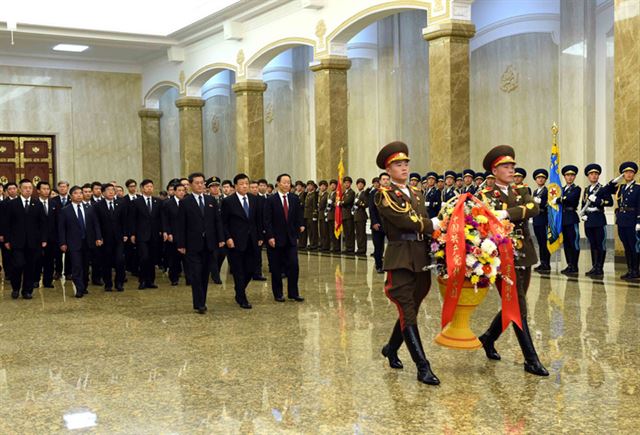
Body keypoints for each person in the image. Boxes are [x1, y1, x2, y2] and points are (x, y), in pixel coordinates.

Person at [477, 145, 548, 377]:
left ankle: (488, 338)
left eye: (512, 166)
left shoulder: (522, 190)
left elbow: (533, 208)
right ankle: (531, 358)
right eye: (505, 167)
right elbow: (481, 220)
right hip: (499, 257)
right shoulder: (484, 195)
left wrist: (507, 214)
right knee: (517, 305)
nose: (510, 170)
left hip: (524, 253)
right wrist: (518, 211)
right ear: (494, 170)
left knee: (516, 301)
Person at [375, 141, 440, 386]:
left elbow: (420, 218)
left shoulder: (417, 193)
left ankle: (391, 348)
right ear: (388, 170)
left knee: (409, 309)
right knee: (407, 309)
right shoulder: (384, 195)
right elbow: (406, 220)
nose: (403, 168)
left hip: (420, 257)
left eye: (405, 164)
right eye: (397, 165)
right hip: (400, 258)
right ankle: (423, 367)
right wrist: (432, 224)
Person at [175, 173, 224, 314]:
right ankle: (199, 303)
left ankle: (202, 301)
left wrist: (220, 238)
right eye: (197, 183)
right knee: (196, 274)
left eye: (202, 183)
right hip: (192, 244)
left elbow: (217, 221)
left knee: (204, 274)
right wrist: (181, 244)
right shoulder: (185, 202)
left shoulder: (210, 200)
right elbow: (181, 225)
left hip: (209, 243)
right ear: (190, 185)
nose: (200, 185)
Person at [221, 173, 263, 309]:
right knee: (238, 270)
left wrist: (260, 237)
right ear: (235, 186)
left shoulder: (254, 199)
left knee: (251, 268)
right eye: (241, 184)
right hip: (235, 241)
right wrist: (228, 238)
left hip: (252, 240)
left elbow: (258, 220)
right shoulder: (228, 201)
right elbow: (224, 223)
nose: (245, 186)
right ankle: (241, 296)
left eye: (246, 183)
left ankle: (239, 290)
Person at [263, 173, 305, 303]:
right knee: (276, 268)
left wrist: (300, 227)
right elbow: (267, 220)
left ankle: (293, 293)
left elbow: (298, 216)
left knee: (293, 266)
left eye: (289, 182)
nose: (287, 185)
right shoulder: (271, 200)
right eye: (284, 182)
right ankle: (278, 293)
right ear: (278, 183)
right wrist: (270, 236)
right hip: (275, 239)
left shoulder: (294, 198)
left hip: (291, 239)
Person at [4, 179, 48, 299]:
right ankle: (15, 288)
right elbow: (6, 223)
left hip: (33, 242)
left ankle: (27, 291)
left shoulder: (37, 204)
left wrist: (44, 239)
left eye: (30, 188)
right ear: (20, 189)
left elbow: (43, 223)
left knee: (30, 266)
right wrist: (7, 240)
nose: (28, 190)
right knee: (18, 265)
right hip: (16, 242)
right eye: (25, 187)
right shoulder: (12, 204)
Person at [58, 185, 102, 297]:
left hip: (88, 241)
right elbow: (62, 228)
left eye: (80, 193)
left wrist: (98, 237)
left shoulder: (90, 208)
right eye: (76, 193)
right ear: (71, 196)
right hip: (73, 242)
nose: (79, 195)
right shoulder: (65, 210)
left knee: (86, 266)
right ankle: (79, 288)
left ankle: (84, 285)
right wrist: (62, 242)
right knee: (76, 266)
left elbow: (95, 224)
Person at [600, 162, 640, 280]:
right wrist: (614, 181)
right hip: (622, 221)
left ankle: (636, 271)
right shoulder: (621, 187)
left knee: (634, 246)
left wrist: (639, 221)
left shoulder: (638, 188)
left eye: (631, 172)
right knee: (626, 246)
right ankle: (630, 270)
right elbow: (604, 191)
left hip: (633, 220)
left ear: (634, 174)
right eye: (626, 172)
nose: (628, 174)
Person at [129, 179, 162, 289]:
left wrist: (163, 231)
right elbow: (132, 219)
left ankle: (151, 281)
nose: (149, 188)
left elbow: (160, 219)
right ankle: (142, 280)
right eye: (147, 186)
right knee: (144, 257)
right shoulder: (136, 202)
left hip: (154, 235)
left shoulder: (158, 201)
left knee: (152, 258)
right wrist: (132, 234)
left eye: (151, 186)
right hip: (141, 235)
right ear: (142, 188)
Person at [580, 164, 612, 278]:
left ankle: (600, 267)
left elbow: (610, 202)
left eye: (596, 174)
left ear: (598, 176)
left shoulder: (603, 189)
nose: (593, 176)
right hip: (589, 220)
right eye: (591, 174)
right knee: (592, 244)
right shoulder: (586, 190)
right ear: (588, 176)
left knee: (600, 244)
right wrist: (583, 214)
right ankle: (594, 266)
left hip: (599, 219)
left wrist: (597, 200)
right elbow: (583, 204)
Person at [95, 183, 127, 291]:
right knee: (106, 262)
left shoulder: (121, 203)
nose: (111, 192)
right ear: (103, 192)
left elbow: (124, 220)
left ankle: (119, 283)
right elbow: (96, 223)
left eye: (113, 190)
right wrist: (98, 237)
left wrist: (125, 234)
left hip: (119, 238)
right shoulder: (98, 205)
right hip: (105, 239)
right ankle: (108, 283)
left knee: (120, 261)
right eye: (108, 190)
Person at [556, 165, 581, 276]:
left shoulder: (576, 189)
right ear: (564, 177)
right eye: (567, 175)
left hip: (571, 217)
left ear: (574, 177)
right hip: (563, 219)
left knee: (574, 242)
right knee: (566, 244)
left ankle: (574, 266)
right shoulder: (561, 189)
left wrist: (560, 199)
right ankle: (569, 264)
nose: (570, 178)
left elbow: (571, 199)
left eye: (572, 175)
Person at [34, 181, 57, 289]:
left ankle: (48, 281)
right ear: (38, 190)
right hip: (37, 238)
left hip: (52, 237)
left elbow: (58, 221)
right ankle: (35, 280)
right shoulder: (33, 203)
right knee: (36, 260)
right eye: (43, 189)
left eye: (48, 189)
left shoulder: (54, 203)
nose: (46, 191)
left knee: (50, 260)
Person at [50, 180, 71, 279]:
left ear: (67, 188)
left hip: (70, 230)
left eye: (64, 186)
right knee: (57, 253)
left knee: (70, 252)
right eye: (60, 187)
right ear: (58, 188)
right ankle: (58, 271)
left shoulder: (72, 199)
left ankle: (68, 272)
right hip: (57, 231)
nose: (62, 188)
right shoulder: (53, 200)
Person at [531, 169, 551, 274]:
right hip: (536, 219)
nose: (540, 179)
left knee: (544, 242)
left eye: (543, 178)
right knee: (540, 242)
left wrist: (541, 203)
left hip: (543, 218)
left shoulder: (547, 191)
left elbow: (548, 204)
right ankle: (542, 262)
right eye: (538, 178)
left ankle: (546, 263)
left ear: (545, 179)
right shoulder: (535, 192)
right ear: (535, 180)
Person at [369, 172, 389, 273]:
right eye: (383, 179)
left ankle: (390, 266)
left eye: (387, 179)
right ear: (380, 181)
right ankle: (379, 266)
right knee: (378, 247)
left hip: (390, 225)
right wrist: (374, 222)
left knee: (392, 247)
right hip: (378, 224)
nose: (385, 181)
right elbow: (372, 209)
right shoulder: (374, 193)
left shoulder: (391, 192)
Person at [353, 178, 369, 257]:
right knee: (358, 234)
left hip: (362, 216)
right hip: (356, 216)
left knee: (362, 234)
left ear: (364, 185)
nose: (360, 185)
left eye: (361, 184)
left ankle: (362, 249)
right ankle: (359, 248)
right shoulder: (357, 194)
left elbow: (366, 204)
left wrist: (359, 202)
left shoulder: (365, 193)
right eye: (358, 184)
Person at [340, 176, 356, 255]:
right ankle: (347, 247)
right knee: (346, 232)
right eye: (345, 183)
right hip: (344, 215)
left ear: (350, 184)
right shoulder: (343, 193)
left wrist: (340, 202)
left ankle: (351, 248)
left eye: (348, 183)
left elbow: (347, 201)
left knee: (350, 232)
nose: (346, 184)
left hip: (349, 215)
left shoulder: (351, 192)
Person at [317, 180, 330, 252]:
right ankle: (322, 244)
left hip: (325, 215)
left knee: (325, 231)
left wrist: (326, 214)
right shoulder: (320, 195)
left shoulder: (327, 195)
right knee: (321, 231)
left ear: (326, 187)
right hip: (320, 215)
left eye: (323, 186)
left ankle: (326, 245)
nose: (322, 187)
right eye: (321, 186)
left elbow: (327, 205)